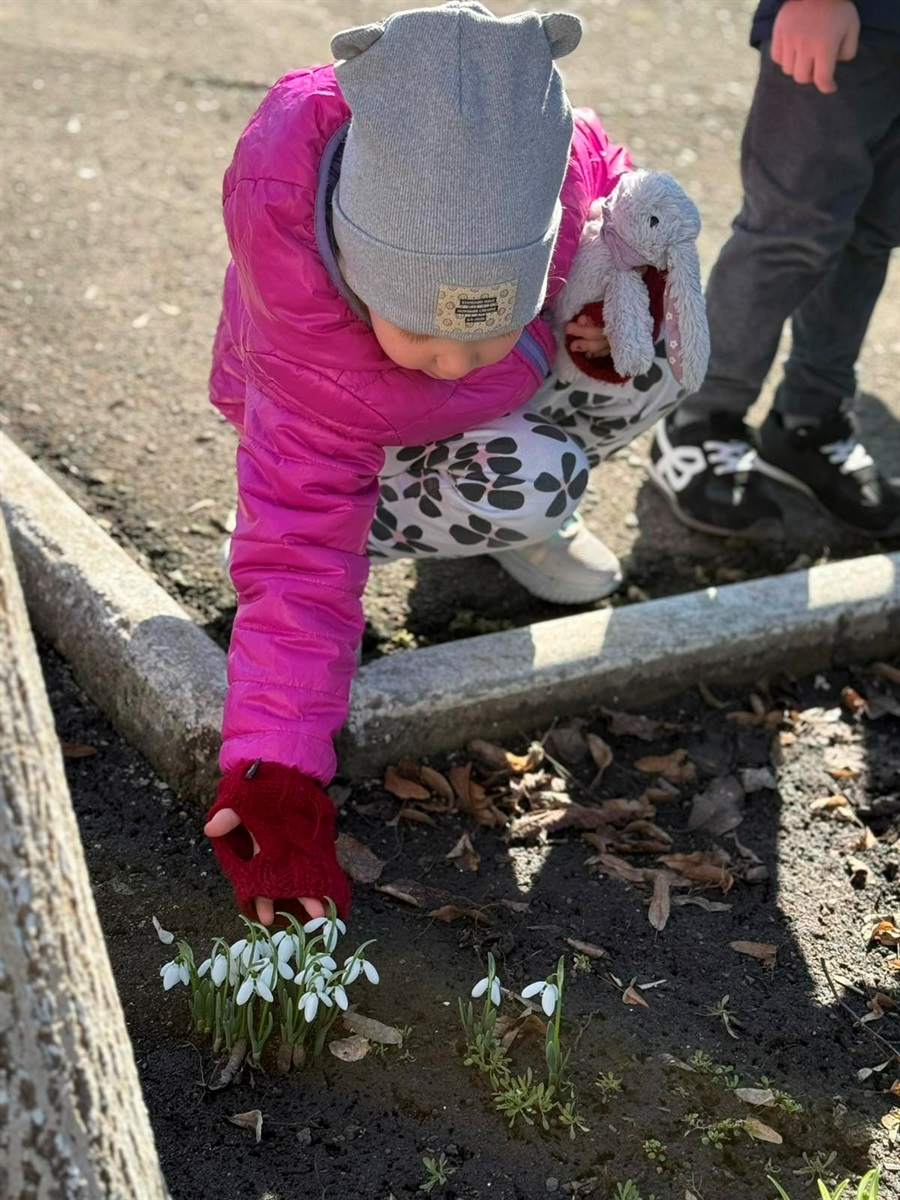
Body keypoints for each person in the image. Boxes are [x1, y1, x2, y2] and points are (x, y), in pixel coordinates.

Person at [202, 1, 685, 925]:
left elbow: (601, 169)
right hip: (347, 452)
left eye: (487, 326)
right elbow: (303, 564)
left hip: (476, 413)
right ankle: (431, 513)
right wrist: (274, 771)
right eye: (421, 332)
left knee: (646, 330)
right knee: (528, 479)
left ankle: (513, 511)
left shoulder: (542, 160)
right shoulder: (312, 356)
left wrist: (609, 274)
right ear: (357, 266)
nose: (459, 358)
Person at [649, 0, 900, 539]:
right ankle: (700, 417)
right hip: (856, 19)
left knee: (869, 239)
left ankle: (807, 424)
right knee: (790, 233)